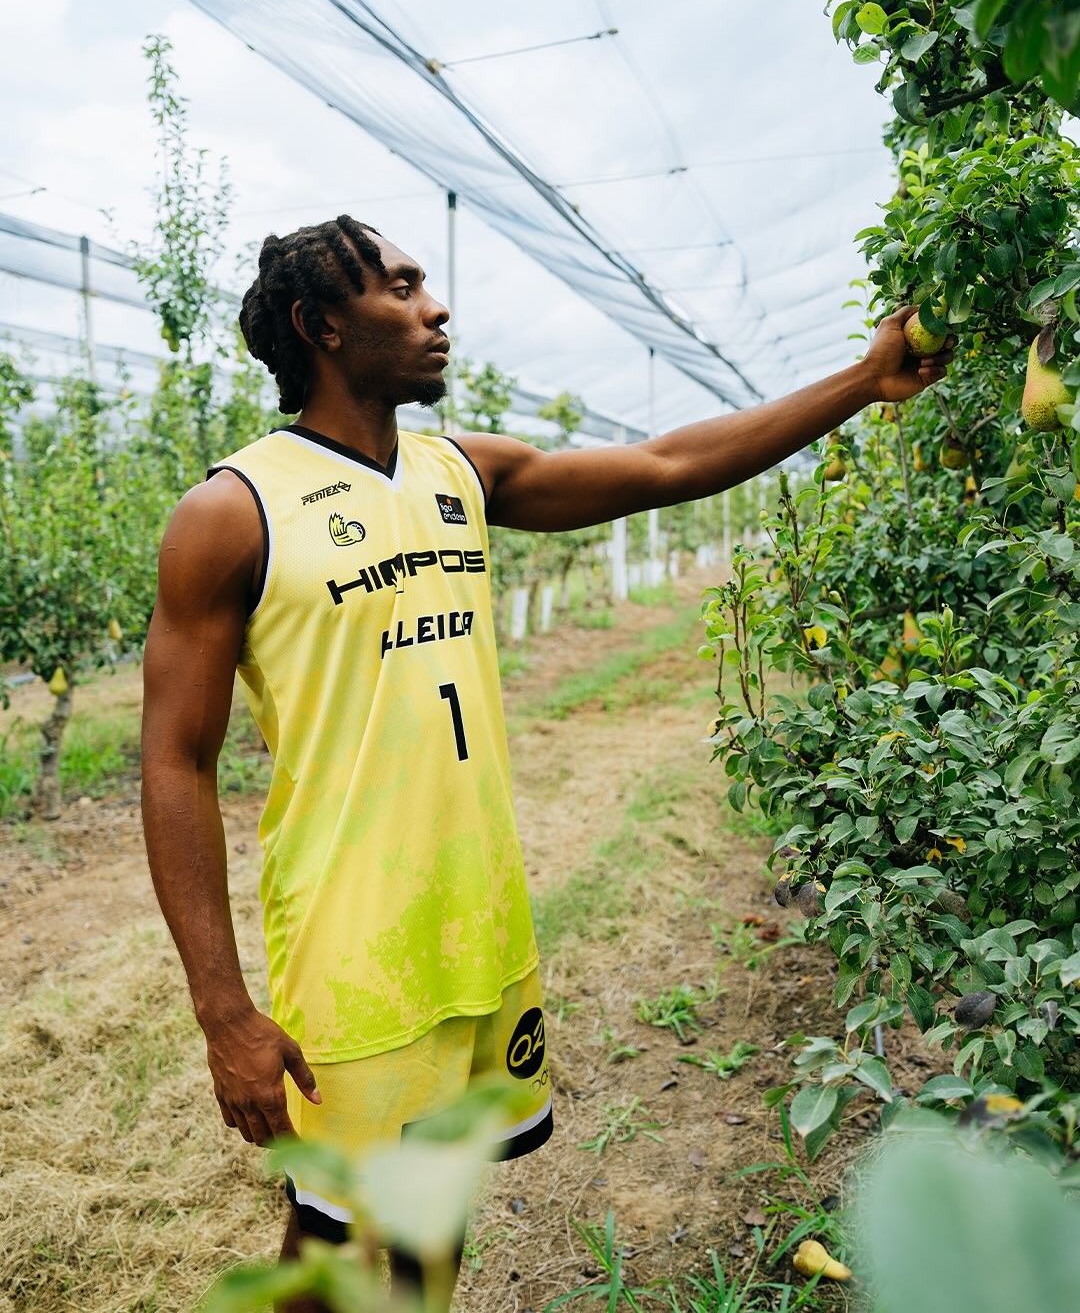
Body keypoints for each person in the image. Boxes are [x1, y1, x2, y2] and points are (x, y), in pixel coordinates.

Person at [140, 214, 955, 1310]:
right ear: (321, 324)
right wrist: (223, 1010)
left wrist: (862, 382)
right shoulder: (231, 514)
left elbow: (668, 465)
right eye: (400, 288)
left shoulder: (461, 472)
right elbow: (175, 762)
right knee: (335, 1226)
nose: (435, 307)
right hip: (352, 941)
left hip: (481, 924)